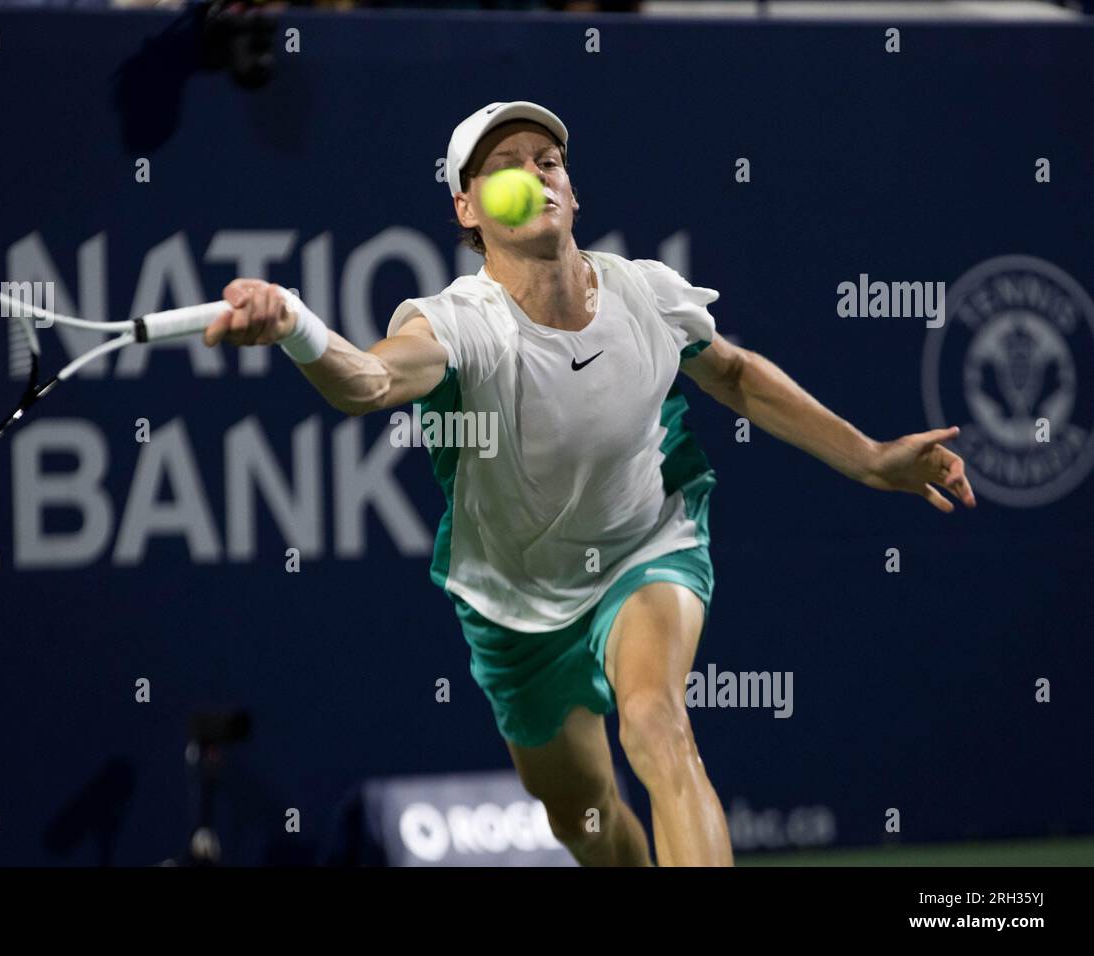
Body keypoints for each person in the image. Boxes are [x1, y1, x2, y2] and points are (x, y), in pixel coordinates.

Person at [202, 101, 976, 866]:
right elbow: (368, 381)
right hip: (513, 603)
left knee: (656, 721)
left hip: (646, 545)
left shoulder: (646, 293)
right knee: (587, 820)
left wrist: (872, 458)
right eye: (506, 169)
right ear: (466, 208)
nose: (535, 177)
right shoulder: (461, 323)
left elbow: (736, 375)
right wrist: (297, 327)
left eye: (549, 163)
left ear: (572, 193)